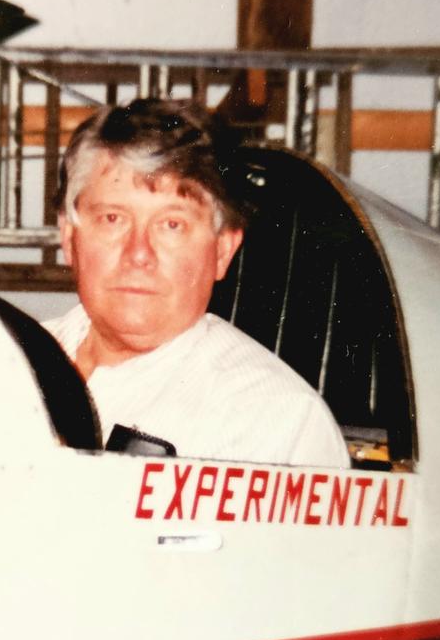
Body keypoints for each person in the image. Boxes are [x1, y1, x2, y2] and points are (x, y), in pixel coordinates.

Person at [44, 98, 349, 468]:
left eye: (172, 224)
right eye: (112, 218)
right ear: (68, 237)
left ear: (222, 250)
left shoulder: (275, 421)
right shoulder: (1, 364)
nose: (138, 253)